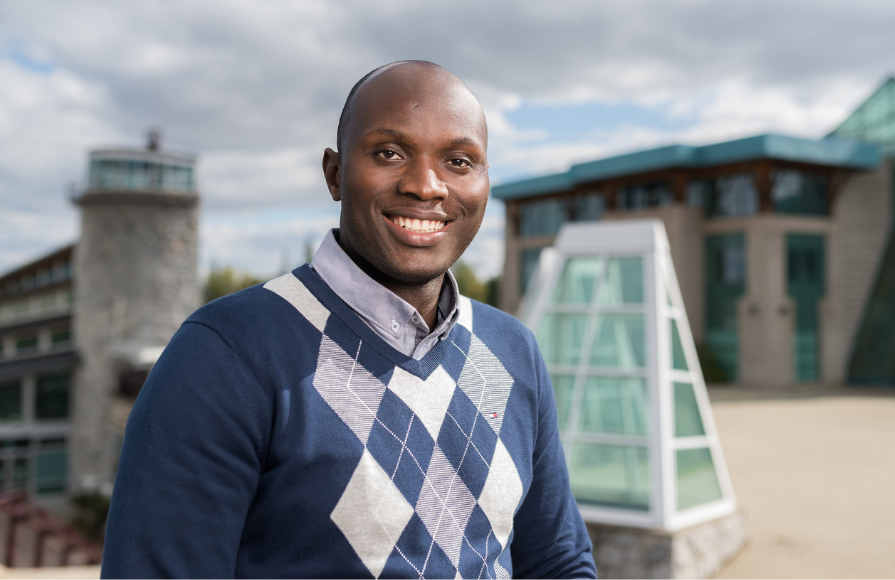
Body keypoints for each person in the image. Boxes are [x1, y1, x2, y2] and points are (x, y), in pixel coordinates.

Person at [101, 60, 596, 579]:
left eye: (458, 161)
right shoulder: (224, 355)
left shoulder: (511, 350)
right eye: (389, 152)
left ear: (485, 182)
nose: (426, 186)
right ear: (335, 174)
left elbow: (556, 562)